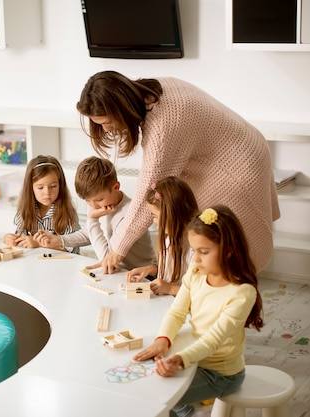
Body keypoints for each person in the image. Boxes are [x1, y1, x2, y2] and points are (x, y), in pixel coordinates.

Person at [76, 71, 279, 274]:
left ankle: (226, 297)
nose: (106, 130)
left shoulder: (163, 128)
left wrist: (116, 252)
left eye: (106, 122)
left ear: (122, 108)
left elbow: (147, 193)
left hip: (239, 163)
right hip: (242, 146)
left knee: (223, 246)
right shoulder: (153, 89)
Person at [133, 205, 264, 417]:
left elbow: (213, 340)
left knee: (155, 398)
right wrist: (162, 340)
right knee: (146, 387)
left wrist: (180, 359)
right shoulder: (195, 273)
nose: (195, 259)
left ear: (229, 250)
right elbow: (177, 313)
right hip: (193, 357)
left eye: (203, 252)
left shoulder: (242, 293)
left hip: (220, 374)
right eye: (194, 250)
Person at [74, 156, 155, 271]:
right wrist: (59, 240)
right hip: (119, 273)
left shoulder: (128, 214)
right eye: (87, 200)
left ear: (116, 187)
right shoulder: (97, 203)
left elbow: (107, 259)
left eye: (99, 199)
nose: (92, 206)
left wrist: (92, 219)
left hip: (142, 276)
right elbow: (89, 232)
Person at [125, 176, 199, 296]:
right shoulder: (170, 238)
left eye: (155, 215)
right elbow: (174, 271)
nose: (154, 221)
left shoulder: (196, 249)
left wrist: (170, 289)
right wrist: (153, 270)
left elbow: (200, 294)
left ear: (171, 215)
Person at [4, 155, 89, 253]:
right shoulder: (25, 211)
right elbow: (21, 240)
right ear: (30, 188)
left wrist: (39, 244)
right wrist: (10, 239)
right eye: (40, 188)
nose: (47, 193)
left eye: (53, 186)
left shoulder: (67, 214)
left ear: (60, 186)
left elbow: (72, 250)